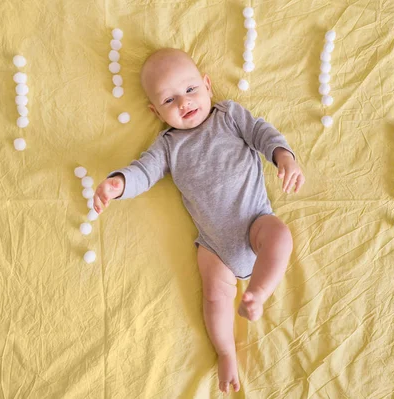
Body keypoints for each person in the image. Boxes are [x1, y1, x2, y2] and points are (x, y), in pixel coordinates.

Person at [93, 48, 305, 394]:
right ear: (155, 111)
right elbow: (143, 172)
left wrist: (283, 157)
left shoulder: (229, 116)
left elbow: (262, 132)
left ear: (207, 86)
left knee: (279, 235)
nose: (184, 103)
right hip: (214, 247)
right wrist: (119, 183)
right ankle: (225, 352)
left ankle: (258, 291)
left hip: (254, 221)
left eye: (191, 90)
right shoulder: (167, 146)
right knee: (214, 296)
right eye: (169, 99)